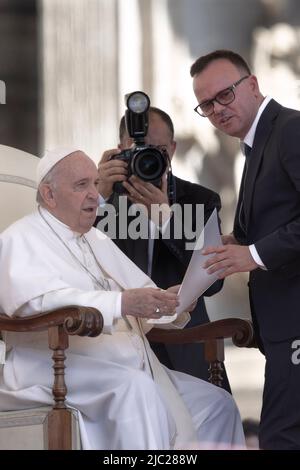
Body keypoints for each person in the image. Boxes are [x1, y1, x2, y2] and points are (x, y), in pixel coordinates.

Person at [0, 148, 244, 450]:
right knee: (136, 390)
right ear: (49, 195)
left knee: (216, 403)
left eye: (95, 183)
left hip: (129, 366)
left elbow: (137, 294)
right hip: (54, 366)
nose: (94, 195)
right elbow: (35, 304)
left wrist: (168, 302)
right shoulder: (19, 239)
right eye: (82, 185)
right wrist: (121, 304)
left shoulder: (94, 237)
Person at [190, 49, 300, 450]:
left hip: (295, 320)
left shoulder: (289, 129)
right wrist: (235, 243)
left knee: (280, 437)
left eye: (225, 95)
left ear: (252, 85)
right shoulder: (255, 144)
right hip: (280, 324)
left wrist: (251, 255)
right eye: (206, 104)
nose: (217, 109)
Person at [95, 107, 231, 391]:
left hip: (184, 340)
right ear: (120, 149)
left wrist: (168, 221)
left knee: (205, 423)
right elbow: (73, 249)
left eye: (157, 149)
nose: (149, 157)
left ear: (172, 148)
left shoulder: (200, 200)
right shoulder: (102, 199)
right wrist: (98, 195)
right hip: (116, 341)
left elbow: (214, 282)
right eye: (138, 148)